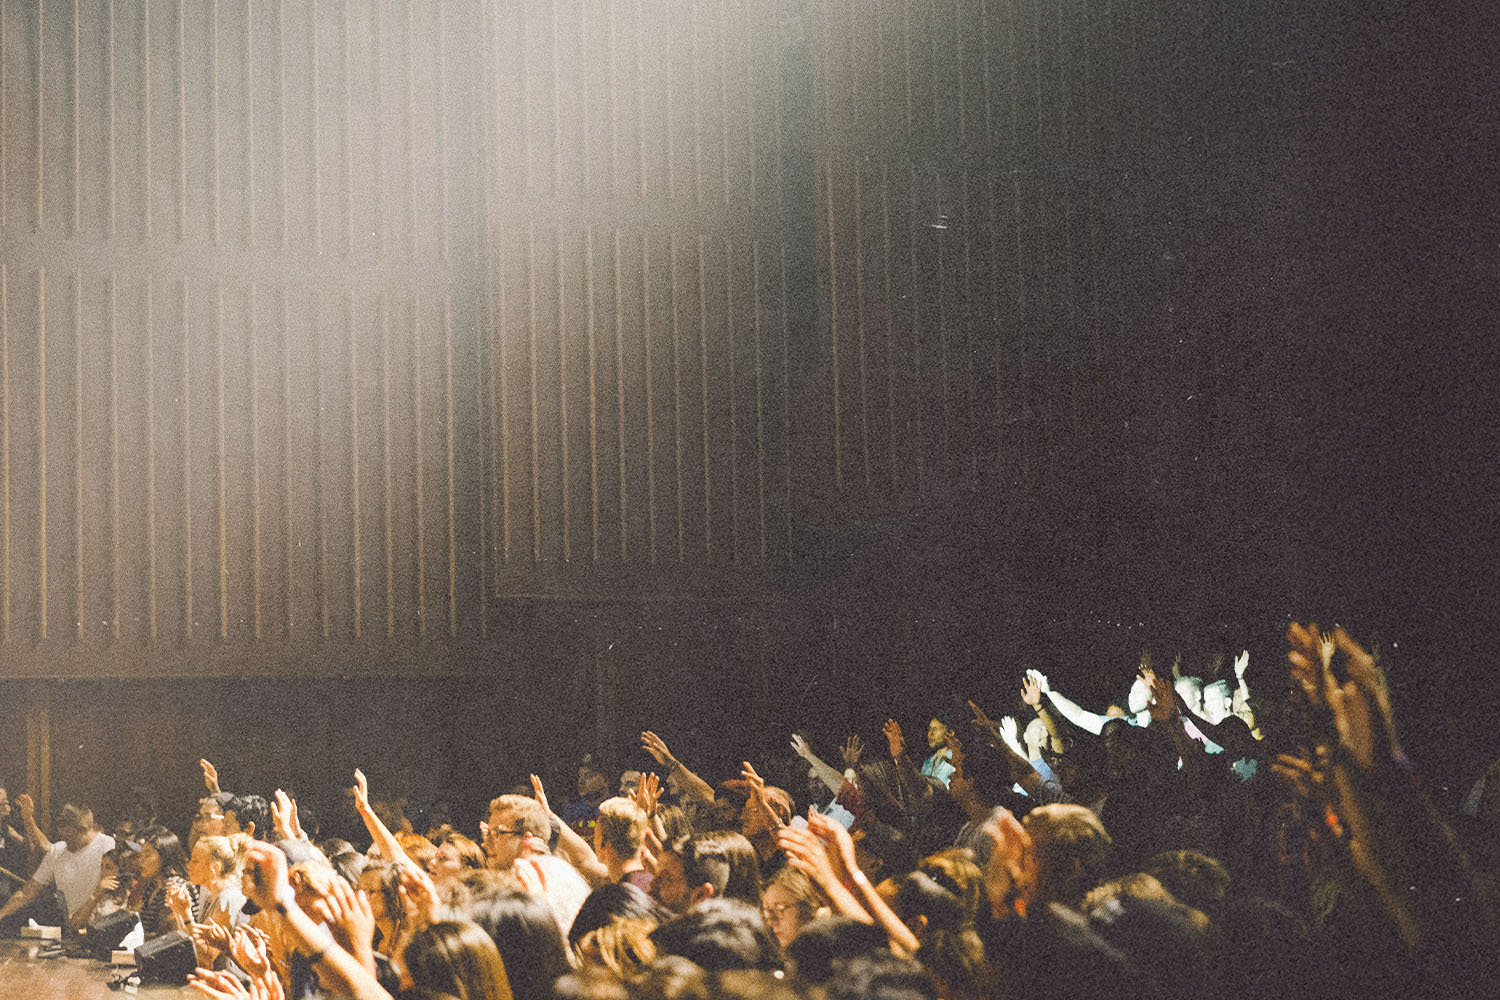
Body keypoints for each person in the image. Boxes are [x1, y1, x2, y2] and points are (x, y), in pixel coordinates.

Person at [0, 803, 115, 929]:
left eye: (70, 836)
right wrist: (2, 914)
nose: (66, 841)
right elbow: (28, 892)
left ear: (84, 829)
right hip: (73, 927)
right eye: (63, 836)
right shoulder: (57, 851)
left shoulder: (108, 846)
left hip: (105, 926)